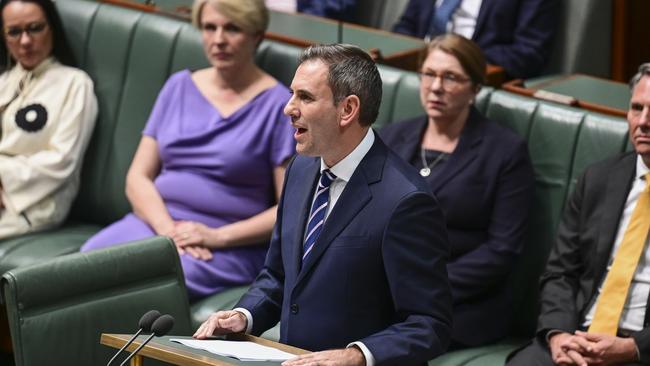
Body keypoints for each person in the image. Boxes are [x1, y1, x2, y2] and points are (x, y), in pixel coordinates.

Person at [193, 44, 452, 366]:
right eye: (292, 94)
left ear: (347, 110)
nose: (288, 108)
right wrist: (244, 314)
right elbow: (278, 275)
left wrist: (356, 355)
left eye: (305, 97)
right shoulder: (301, 169)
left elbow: (429, 324)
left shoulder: (406, 201)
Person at [81, 0, 295, 301]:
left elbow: (288, 209)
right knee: (82, 268)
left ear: (256, 36)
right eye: (210, 27)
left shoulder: (279, 106)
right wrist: (168, 231)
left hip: (226, 244)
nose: (218, 39)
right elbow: (138, 177)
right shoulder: (178, 86)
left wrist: (215, 237)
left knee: (150, 281)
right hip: (156, 225)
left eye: (232, 28)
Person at [380, 34, 534, 349]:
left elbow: (502, 250)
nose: (436, 87)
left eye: (451, 78)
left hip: (459, 304)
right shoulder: (393, 137)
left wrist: (422, 284)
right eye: (429, 74)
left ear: (475, 89)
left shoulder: (504, 151)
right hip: (383, 290)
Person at [507, 62, 650, 365]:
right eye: (636, 108)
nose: (643, 121)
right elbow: (560, 272)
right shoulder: (599, 178)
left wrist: (633, 347)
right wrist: (559, 335)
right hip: (578, 336)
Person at [0, 0, 97, 239]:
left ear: (52, 28)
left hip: (34, 204)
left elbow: (62, 160)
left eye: (35, 28)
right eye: (14, 32)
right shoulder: (4, 82)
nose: (25, 41)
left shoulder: (74, 84)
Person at [392, 0, 559, 79]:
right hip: (414, 68)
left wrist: (462, 60)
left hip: (473, 78)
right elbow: (406, 25)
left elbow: (529, 53)